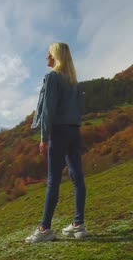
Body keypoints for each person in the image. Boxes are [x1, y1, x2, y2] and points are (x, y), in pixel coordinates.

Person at [25, 42, 88, 244]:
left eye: (49, 53)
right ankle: (78, 225)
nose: (46, 57)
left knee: (53, 180)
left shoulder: (52, 78)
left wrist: (43, 137)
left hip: (59, 132)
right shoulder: (74, 82)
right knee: (77, 176)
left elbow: (47, 111)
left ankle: (45, 229)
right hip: (74, 131)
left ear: (55, 56)